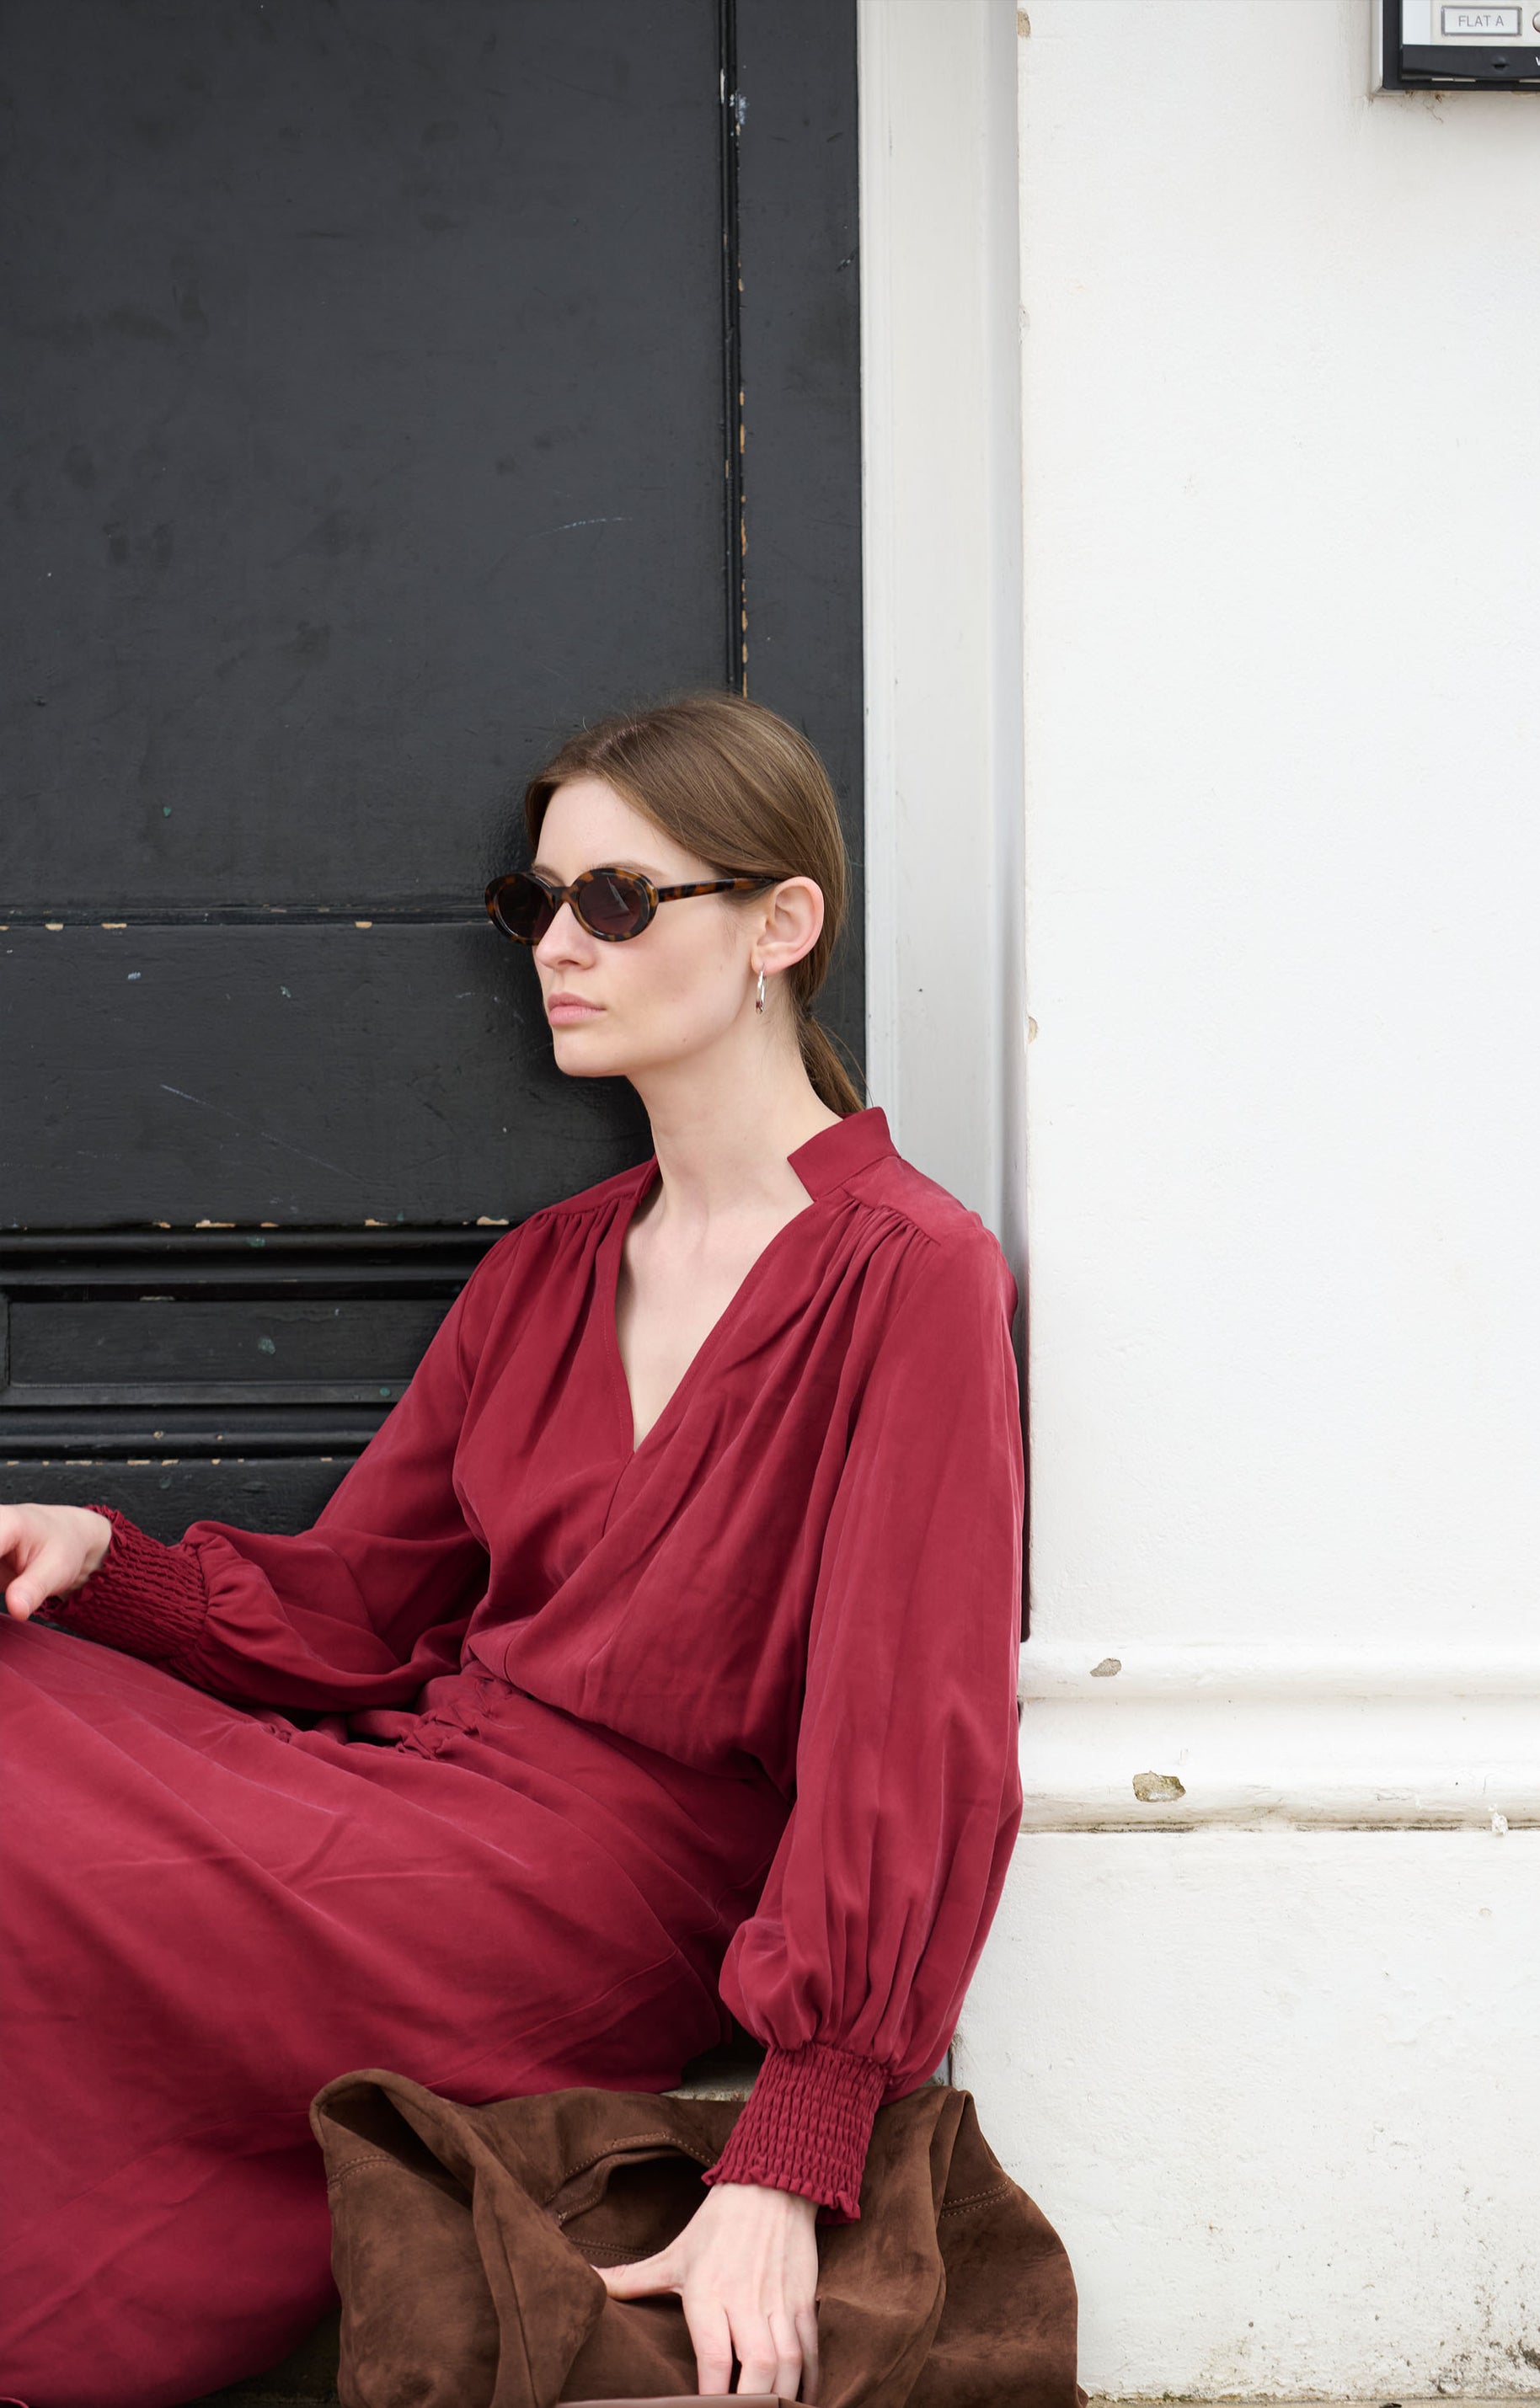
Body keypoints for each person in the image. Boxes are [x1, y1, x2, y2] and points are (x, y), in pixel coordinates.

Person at [0, 692, 1025, 2408]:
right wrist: (103, 1556)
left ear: (781, 922)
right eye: (532, 904)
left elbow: (909, 1729)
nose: (558, 943)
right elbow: (358, 1605)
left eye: (617, 900)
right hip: (417, 1790)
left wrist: (793, 2138)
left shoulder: (907, 1271)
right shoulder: (545, 1269)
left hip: (597, 1893)